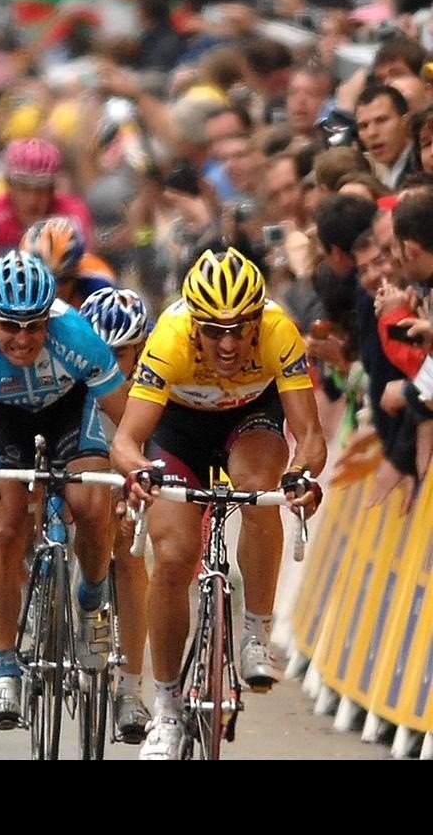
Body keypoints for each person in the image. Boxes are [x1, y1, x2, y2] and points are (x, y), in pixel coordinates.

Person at [109, 248, 325, 760]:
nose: (228, 343)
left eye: (240, 328)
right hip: (178, 429)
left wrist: (301, 475)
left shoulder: (278, 330)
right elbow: (125, 441)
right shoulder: (168, 337)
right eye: (213, 330)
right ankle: (165, 708)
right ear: (194, 325)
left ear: (257, 320)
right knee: (174, 557)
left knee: (258, 486)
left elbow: (311, 434)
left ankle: (255, 632)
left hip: (250, 418)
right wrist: (137, 472)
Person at [0, 251, 128, 730]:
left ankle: (91, 597)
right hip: (3, 423)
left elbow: (127, 421)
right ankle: (5, 671)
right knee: (5, 529)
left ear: (51, 318)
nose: (23, 339)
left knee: (90, 502)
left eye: (34, 326)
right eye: (11, 326)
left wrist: (132, 478)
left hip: (68, 414)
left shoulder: (79, 340)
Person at [77, 285, 156, 743]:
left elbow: (152, 447)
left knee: (130, 552)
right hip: (86, 457)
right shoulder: (71, 366)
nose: (107, 364)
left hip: (129, 462)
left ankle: (129, 686)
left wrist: (135, 497)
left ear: (139, 350)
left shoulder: (151, 376)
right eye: (99, 353)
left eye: (120, 355)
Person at [0, 137, 93, 308]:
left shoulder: (72, 216)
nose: (33, 199)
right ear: (8, 185)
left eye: (42, 188)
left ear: (54, 187)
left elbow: (86, 279)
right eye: (24, 187)